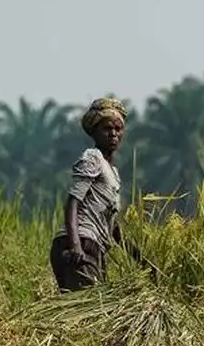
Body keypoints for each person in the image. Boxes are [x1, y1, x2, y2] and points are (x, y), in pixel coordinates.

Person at [49, 96, 146, 293]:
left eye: (118, 129)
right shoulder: (92, 158)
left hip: (95, 247)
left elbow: (114, 229)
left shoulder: (113, 173)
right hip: (80, 242)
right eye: (107, 129)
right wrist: (76, 246)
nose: (113, 134)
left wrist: (142, 261)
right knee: (89, 309)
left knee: (89, 310)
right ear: (94, 131)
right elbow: (72, 203)